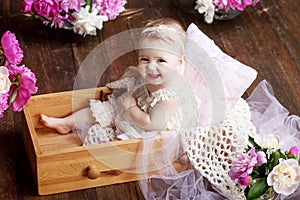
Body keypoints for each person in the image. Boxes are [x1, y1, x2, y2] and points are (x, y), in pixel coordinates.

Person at [40, 18, 196, 145]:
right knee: (104, 109)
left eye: (161, 60)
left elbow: (152, 124)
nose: (151, 67)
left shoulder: (170, 96)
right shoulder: (152, 75)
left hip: (148, 129)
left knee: (122, 142)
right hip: (136, 108)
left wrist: (132, 107)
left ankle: (105, 155)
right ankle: (66, 122)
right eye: (144, 59)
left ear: (179, 63)